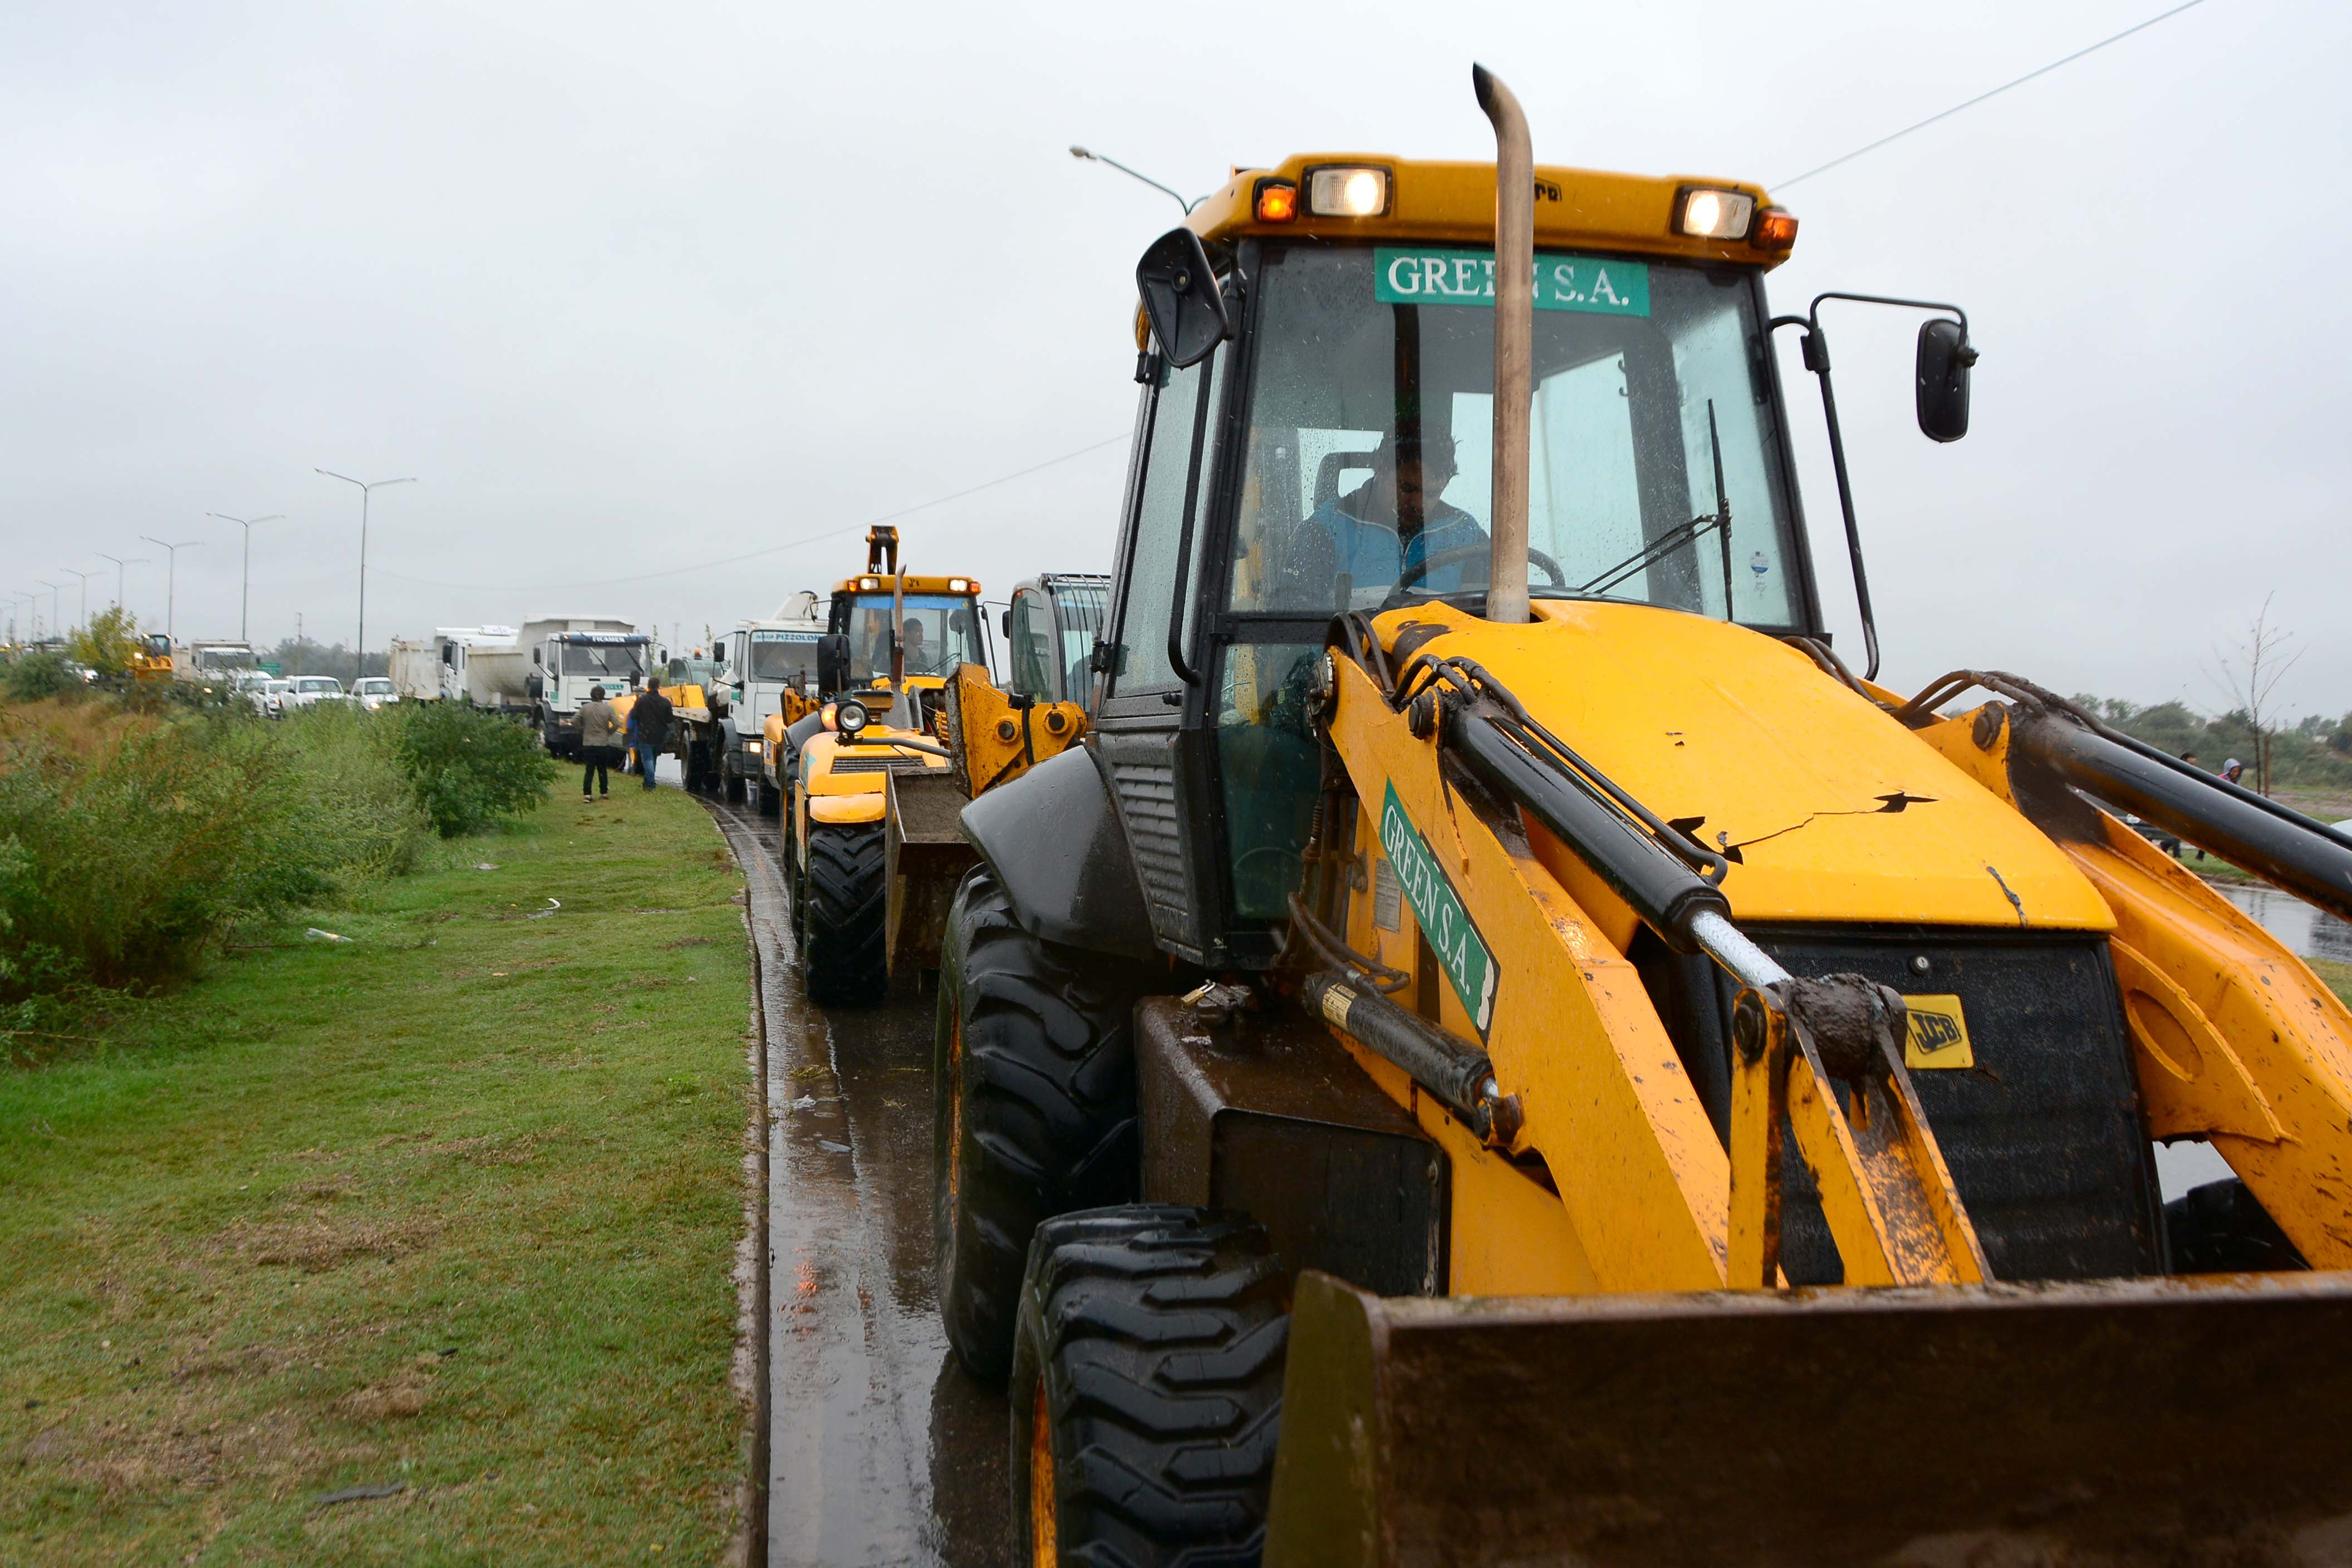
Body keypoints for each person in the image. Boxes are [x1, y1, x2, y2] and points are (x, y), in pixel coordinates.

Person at [1288, 429, 1488, 607]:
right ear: (1380, 468)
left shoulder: (1469, 537)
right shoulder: (1324, 529)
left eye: (1431, 493)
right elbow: (1295, 627)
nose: (1418, 505)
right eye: (1407, 489)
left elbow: (1487, 625)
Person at [578, 685, 621, 798]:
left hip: (588, 742)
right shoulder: (608, 708)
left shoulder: (585, 708)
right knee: (602, 769)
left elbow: (574, 720)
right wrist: (609, 732)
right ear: (603, 696)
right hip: (602, 742)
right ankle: (604, 793)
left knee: (589, 769)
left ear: (591, 695)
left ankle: (587, 794)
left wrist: (582, 730)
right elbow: (617, 724)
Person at [634, 679, 675, 791]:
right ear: (659, 686)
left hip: (645, 734)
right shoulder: (666, 702)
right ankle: (648, 782)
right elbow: (670, 719)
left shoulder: (642, 701)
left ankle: (651, 784)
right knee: (653, 759)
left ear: (648, 686)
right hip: (660, 735)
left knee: (647, 760)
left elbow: (634, 715)